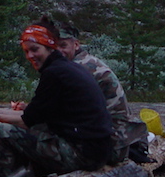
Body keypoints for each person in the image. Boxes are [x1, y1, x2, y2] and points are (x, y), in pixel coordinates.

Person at [0, 20, 113, 177]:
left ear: (49, 47)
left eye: (35, 49)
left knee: (4, 133)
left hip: (82, 154)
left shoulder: (55, 74)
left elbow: (27, 121)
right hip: (94, 151)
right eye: (26, 51)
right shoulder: (67, 68)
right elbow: (33, 115)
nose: (30, 56)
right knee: (24, 132)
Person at [50, 17, 150, 164]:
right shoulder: (86, 62)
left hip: (110, 143)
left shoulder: (78, 68)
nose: (58, 51)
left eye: (63, 45)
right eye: (54, 47)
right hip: (119, 136)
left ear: (76, 45)